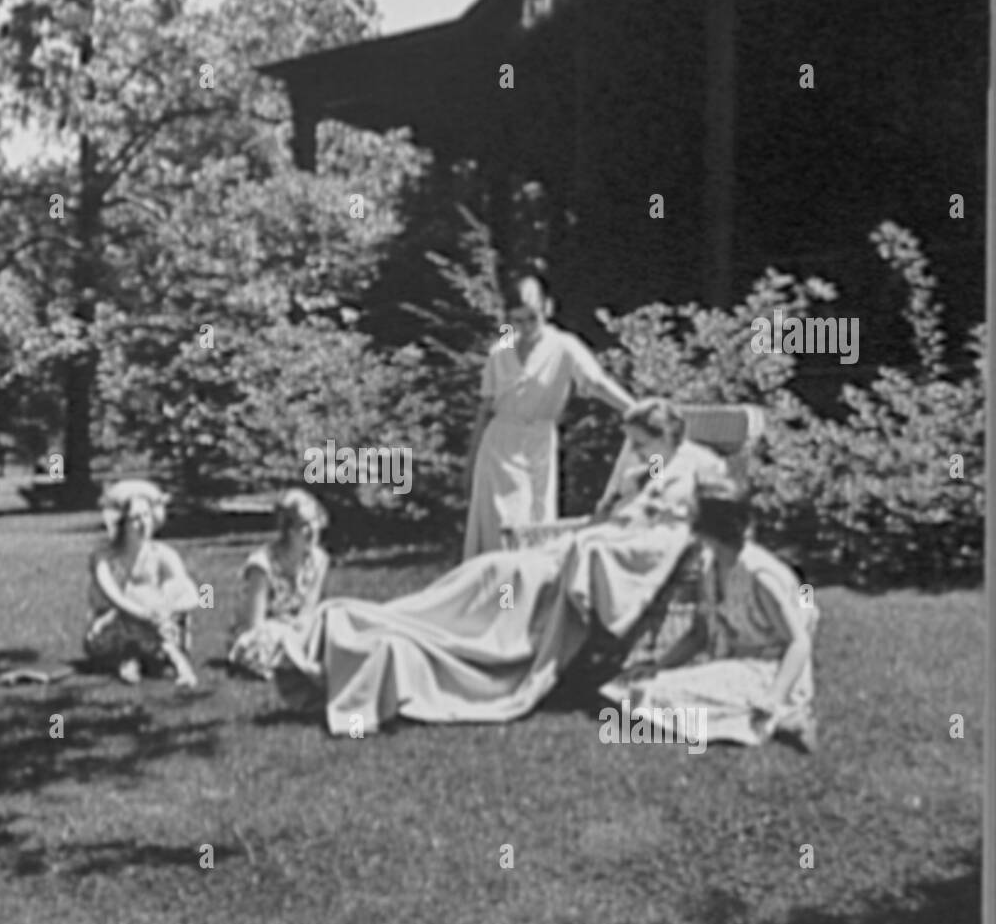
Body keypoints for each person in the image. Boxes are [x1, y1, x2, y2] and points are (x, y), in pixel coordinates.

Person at [282, 398, 731, 735]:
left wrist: (602, 542)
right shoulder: (641, 467)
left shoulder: (701, 468)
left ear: (670, 438)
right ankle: (389, 622)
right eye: (631, 444)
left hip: (606, 557)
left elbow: (689, 534)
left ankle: (462, 651)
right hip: (578, 549)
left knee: (522, 577)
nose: (633, 452)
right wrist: (608, 514)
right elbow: (605, 513)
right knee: (492, 568)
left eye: (641, 443)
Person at [600, 487, 819, 751]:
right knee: (636, 686)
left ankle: (783, 713)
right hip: (735, 662)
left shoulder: (760, 575)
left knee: (658, 695)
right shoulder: (710, 567)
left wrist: (775, 696)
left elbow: (799, 643)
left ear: (708, 533)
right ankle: (758, 716)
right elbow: (698, 635)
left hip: (772, 672)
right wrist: (659, 666)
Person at [462, 275, 637, 560]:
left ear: (547, 309)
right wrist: (469, 463)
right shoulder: (501, 351)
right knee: (502, 526)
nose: (526, 328)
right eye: (517, 321)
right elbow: (484, 410)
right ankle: (501, 599)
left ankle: (530, 596)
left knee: (535, 523)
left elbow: (596, 382)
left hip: (539, 444)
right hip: (499, 448)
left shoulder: (564, 346)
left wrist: (634, 408)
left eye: (532, 318)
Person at [84, 479, 200, 689]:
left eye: (146, 516)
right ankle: (172, 663)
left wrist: (165, 611)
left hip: (156, 624)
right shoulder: (103, 557)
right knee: (134, 603)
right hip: (112, 627)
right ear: (122, 523)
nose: (143, 524)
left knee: (163, 596)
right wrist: (143, 614)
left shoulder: (163, 554)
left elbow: (190, 593)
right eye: (135, 519)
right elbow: (113, 597)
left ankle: (150, 660)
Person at [227, 489, 330, 679]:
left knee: (332, 620)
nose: (313, 531)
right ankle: (304, 666)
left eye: (316, 522)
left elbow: (308, 610)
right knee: (269, 639)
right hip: (263, 632)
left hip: (297, 627)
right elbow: (254, 625)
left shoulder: (319, 560)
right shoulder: (262, 564)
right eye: (304, 526)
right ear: (288, 530)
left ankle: (304, 661)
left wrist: (300, 629)